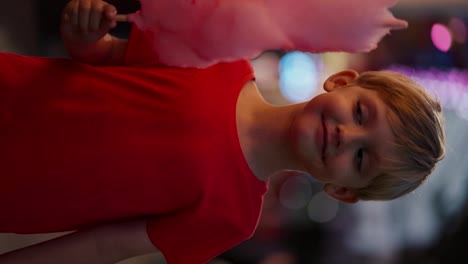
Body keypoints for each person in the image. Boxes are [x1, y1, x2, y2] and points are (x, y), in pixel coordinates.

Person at [0, 0, 445, 263]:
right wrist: (83, 30)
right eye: (362, 114)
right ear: (342, 82)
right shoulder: (219, 60)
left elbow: (104, 246)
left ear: (344, 191)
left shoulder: (233, 222)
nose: (348, 135)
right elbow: (100, 56)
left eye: (362, 159)